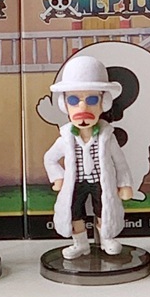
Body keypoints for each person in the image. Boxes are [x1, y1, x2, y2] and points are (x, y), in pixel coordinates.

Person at [43, 56, 133, 258]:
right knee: (74, 211)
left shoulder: (107, 137)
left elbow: (120, 163)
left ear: (104, 103)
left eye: (92, 100)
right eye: (74, 100)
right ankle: (80, 243)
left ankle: (106, 238)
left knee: (104, 209)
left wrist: (125, 184)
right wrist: (58, 177)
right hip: (76, 182)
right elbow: (50, 158)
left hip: (100, 181)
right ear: (64, 104)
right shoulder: (65, 139)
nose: (82, 109)